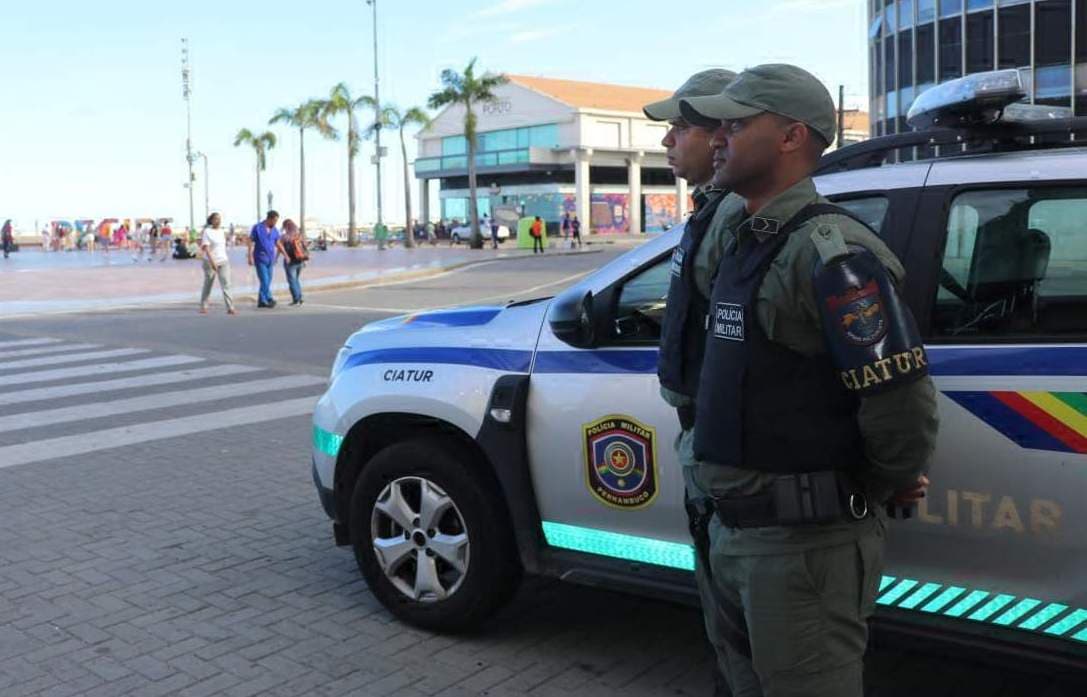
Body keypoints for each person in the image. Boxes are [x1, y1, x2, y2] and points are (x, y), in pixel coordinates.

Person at [676, 64, 939, 696]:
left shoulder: (831, 255)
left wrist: (877, 483)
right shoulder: (742, 238)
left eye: (736, 125)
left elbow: (899, 402)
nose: (718, 137)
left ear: (792, 137)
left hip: (800, 550)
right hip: (733, 535)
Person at [644, 67, 741, 697]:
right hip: (706, 442)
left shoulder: (736, 217)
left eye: (680, 127)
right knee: (728, 628)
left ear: (721, 136)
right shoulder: (711, 213)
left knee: (747, 632)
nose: (666, 141)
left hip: (731, 450)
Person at [199, 212, 236, 315]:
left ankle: (230, 307)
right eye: (216, 219)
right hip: (210, 261)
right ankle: (204, 306)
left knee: (226, 283)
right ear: (211, 221)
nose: (218, 221)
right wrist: (212, 262)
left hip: (223, 261)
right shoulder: (207, 231)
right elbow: (206, 248)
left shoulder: (221, 231)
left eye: (219, 219)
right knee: (208, 284)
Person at [248, 210, 286, 308]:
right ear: (269, 219)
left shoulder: (274, 230)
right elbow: (250, 242)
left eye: (276, 221)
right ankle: (263, 300)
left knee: (268, 280)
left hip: (270, 259)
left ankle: (267, 298)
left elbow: (278, 243)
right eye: (274, 221)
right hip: (260, 257)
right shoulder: (257, 228)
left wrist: (285, 255)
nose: (275, 223)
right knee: (264, 280)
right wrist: (249, 256)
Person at [281, 218, 309, 306]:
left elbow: (279, 248)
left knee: (292, 281)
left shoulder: (285, 236)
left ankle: (296, 299)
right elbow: (305, 248)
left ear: (286, 226)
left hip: (290, 261)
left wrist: (276, 258)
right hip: (300, 260)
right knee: (296, 280)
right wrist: (305, 260)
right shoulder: (300, 236)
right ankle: (300, 298)